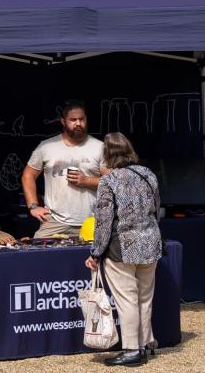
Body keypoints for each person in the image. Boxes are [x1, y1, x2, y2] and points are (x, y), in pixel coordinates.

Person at [86, 132, 161, 368]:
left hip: (123, 247)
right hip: (150, 241)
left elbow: (104, 221)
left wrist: (95, 252)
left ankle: (131, 350)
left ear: (107, 155)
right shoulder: (148, 174)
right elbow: (157, 210)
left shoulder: (109, 180)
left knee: (127, 299)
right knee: (144, 298)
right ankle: (146, 343)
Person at [21, 100, 106, 238]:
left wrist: (87, 181)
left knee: (92, 258)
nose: (78, 123)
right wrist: (33, 206)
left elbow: (113, 182)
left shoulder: (100, 147)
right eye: (73, 120)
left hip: (92, 220)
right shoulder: (46, 146)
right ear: (63, 121)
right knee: (38, 255)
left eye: (81, 119)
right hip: (54, 220)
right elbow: (28, 175)